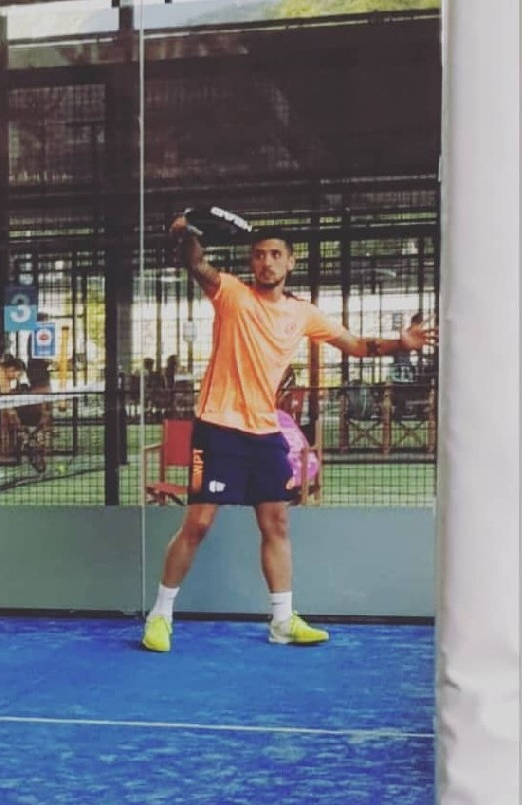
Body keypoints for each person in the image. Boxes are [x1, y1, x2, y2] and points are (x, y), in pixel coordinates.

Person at [142, 218, 436, 652]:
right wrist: (188, 230)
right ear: (251, 262)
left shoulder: (303, 313)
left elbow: (356, 345)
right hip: (218, 427)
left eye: (276, 254)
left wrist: (401, 343)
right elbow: (196, 263)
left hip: (265, 431)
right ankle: (160, 615)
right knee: (198, 523)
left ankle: (282, 621)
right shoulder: (231, 293)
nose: (267, 262)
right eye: (259, 255)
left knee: (276, 522)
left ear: (290, 262)